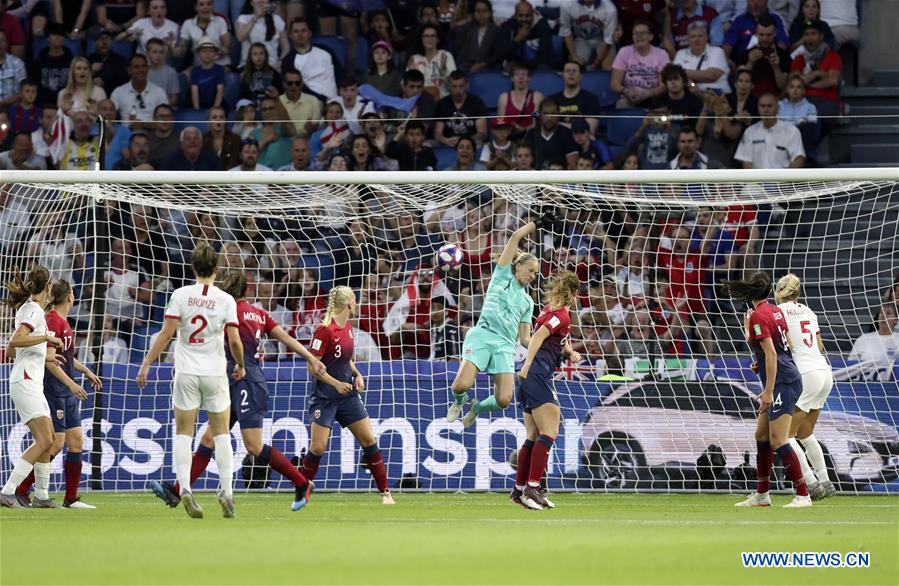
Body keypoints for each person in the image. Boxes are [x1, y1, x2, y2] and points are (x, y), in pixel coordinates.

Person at [149, 272, 326, 512]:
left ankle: (301, 482)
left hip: (244, 380)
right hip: (235, 381)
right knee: (208, 439)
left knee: (253, 446)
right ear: (247, 292)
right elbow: (285, 337)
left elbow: (228, 341)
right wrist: (309, 358)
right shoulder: (259, 313)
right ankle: (178, 492)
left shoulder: (227, 311)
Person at [136, 242, 245, 519]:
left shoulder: (181, 295)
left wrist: (147, 362)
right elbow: (234, 339)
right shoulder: (226, 300)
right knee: (221, 433)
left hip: (185, 371)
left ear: (193, 267)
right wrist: (241, 364)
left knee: (184, 432)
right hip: (214, 372)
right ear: (217, 269)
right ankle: (226, 492)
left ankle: (184, 487)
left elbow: (166, 333)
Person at [447, 212, 556, 428]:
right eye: (530, 270)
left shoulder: (527, 302)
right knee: (461, 385)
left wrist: (544, 345)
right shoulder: (501, 276)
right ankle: (459, 403)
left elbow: (525, 338)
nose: (533, 276)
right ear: (517, 266)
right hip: (482, 335)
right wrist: (536, 224)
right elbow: (515, 237)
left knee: (504, 400)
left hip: (505, 346)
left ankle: (476, 408)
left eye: (536, 274)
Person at [298, 286, 396, 505]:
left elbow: (346, 359)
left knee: (369, 439)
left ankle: (386, 494)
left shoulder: (348, 327)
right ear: (350, 304)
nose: (357, 305)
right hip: (324, 397)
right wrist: (335, 383)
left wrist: (357, 374)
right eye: (355, 301)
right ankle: (301, 491)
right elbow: (312, 366)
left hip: (347, 396)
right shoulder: (325, 330)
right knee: (318, 447)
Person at [13, 279, 101, 508]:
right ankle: (22, 489)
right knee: (54, 443)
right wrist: (72, 384)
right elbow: (50, 362)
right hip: (54, 390)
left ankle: (71, 498)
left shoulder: (63, 322)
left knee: (76, 441)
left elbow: (66, 357)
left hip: (67, 391)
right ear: (70, 297)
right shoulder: (51, 320)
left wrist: (85, 371)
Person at [727, 272, 811, 508]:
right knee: (761, 436)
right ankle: (762, 494)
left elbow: (773, 353)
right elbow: (785, 346)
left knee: (779, 439)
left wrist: (768, 391)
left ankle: (803, 494)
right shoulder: (774, 310)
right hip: (784, 376)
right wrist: (759, 362)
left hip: (782, 382)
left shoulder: (758, 315)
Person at [512, 271, 582, 510]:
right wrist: (528, 365)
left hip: (527, 377)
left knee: (532, 435)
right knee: (550, 432)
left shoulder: (549, 310)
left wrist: (570, 352)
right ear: (573, 294)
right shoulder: (561, 315)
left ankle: (520, 490)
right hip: (536, 374)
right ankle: (533, 486)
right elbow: (538, 336)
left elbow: (558, 339)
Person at [0, 265, 65, 509]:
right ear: (47, 287)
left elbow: (11, 351)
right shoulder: (35, 311)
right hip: (26, 382)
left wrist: (45, 356)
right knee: (44, 440)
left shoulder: (29, 309)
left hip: (28, 380)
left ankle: (42, 496)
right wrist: (47, 339)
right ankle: (7, 491)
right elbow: (15, 340)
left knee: (47, 440)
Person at [774, 273, 836, 499]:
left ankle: (811, 484)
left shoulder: (778, 312)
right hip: (824, 371)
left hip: (805, 374)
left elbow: (783, 345)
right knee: (806, 433)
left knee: (786, 436)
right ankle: (826, 481)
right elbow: (819, 346)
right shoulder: (809, 311)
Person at [735, 93, 805, 169]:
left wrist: (785, 178)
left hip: (782, 179)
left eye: (769, 106)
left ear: (778, 108)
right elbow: (746, 161)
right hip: (757, 179)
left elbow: (798, 159)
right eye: (762, 106)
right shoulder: (749, 132)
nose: (765, 110)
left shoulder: (792, 131)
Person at [610, 20, 670, 108]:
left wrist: (648, 93)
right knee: (621, 104)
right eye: (635, 33)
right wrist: (626, 91)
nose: (639, 36)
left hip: (654, 97)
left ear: (651, 36)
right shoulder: (625, 52)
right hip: (630, 96)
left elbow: (664, 85)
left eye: (642, 33)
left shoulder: (661, 54)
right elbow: (614, 83)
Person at [672, 20, 730, 95]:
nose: (696, 39)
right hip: (692, 96)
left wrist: (684, 72)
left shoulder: (717, 51)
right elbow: (677, 76)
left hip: (717, 96)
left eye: (700, 36)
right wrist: (692, 85)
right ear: (688, 39)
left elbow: (711, 75)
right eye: (693, 37)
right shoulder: (681, 53)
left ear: (706, 37)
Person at [434, 70, 488, 148]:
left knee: (480, 145)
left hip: (471, 142)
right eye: (454, 86)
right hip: (448, 141)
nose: (458, 90)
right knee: (427, 144)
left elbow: (482, 133)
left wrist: (464, 141)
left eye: (461, 86)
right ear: (449, 86)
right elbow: (438, 133)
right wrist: (445, 140)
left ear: (467, 85)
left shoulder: (477, 102)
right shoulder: (442, 103)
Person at [559, 0, 617, 70]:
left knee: (608, 67)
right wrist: (573, 55)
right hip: (581, 40)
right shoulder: (567, 5)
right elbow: (566, 32)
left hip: (602, 40)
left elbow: (608, 40)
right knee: (575, 66)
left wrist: (595, 64)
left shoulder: (610, 9)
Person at [848, 303, 899, 382]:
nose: (883, 316)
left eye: (888, 313)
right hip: (864, 384)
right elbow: (851, 363)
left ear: (896, 320)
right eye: (881, 313)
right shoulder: (864, 338)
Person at [407, 23, 457, 99]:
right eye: (426, 36)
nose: (429, 39)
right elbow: (405, 84)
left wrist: (443, 71)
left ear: (438, 39)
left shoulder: (445, 56)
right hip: (420, 100)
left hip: (442, 99)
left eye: (433, 36)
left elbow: (454, 84)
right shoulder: (414, 58)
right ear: (421, 39)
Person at [450, 0, 501, 73]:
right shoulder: (466, 28)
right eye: (478, 11)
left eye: (484, 11)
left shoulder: (497, 31)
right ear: (473, 14)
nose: (481, 14)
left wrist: (481, 65)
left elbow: (498, 55)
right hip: (467, 67)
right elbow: (453, 32)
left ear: (490, 13)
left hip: (489, 67)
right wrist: (455, 16)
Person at [235, 0, 287, 70]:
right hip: (248, 67)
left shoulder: (277, 19)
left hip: (272, 66)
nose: (261, 1)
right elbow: (240, 38)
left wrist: (279, 63)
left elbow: (286, 48)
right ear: (251, 3)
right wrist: (256, 17)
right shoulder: (243, 18)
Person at [496, 63, 542, 136]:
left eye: (524, 74)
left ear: (530, 78)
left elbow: (537, 123)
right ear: (512, 78)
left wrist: (524, 129)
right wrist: (512, 128)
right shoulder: (503, 97)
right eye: (517, 74)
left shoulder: (537, 96)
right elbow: (501, 124)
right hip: (509, 136)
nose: (520, 77)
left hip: (531, 136)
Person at [190, 38, 226, 110]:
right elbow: (194, 91)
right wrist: (197, 110)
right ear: (198, 54)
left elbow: (220, 90)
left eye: (211, 51)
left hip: (217, 107)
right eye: (204, 51)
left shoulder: (220, 69)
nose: (207, 54)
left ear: (215, 54)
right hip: (200, 107)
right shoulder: (195, 71)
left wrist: (215, 109)